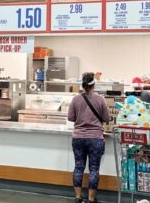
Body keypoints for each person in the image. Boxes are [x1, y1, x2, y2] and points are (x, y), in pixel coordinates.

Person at [68, 72, 110, 203]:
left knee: (78, 167)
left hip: (78, 137)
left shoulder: (75, 99)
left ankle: (78, 198)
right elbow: (106, 118)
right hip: (95, 138)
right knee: (94, 169)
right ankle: (91, 199)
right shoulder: (100, 99)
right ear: (94, 84)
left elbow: (70, 117)